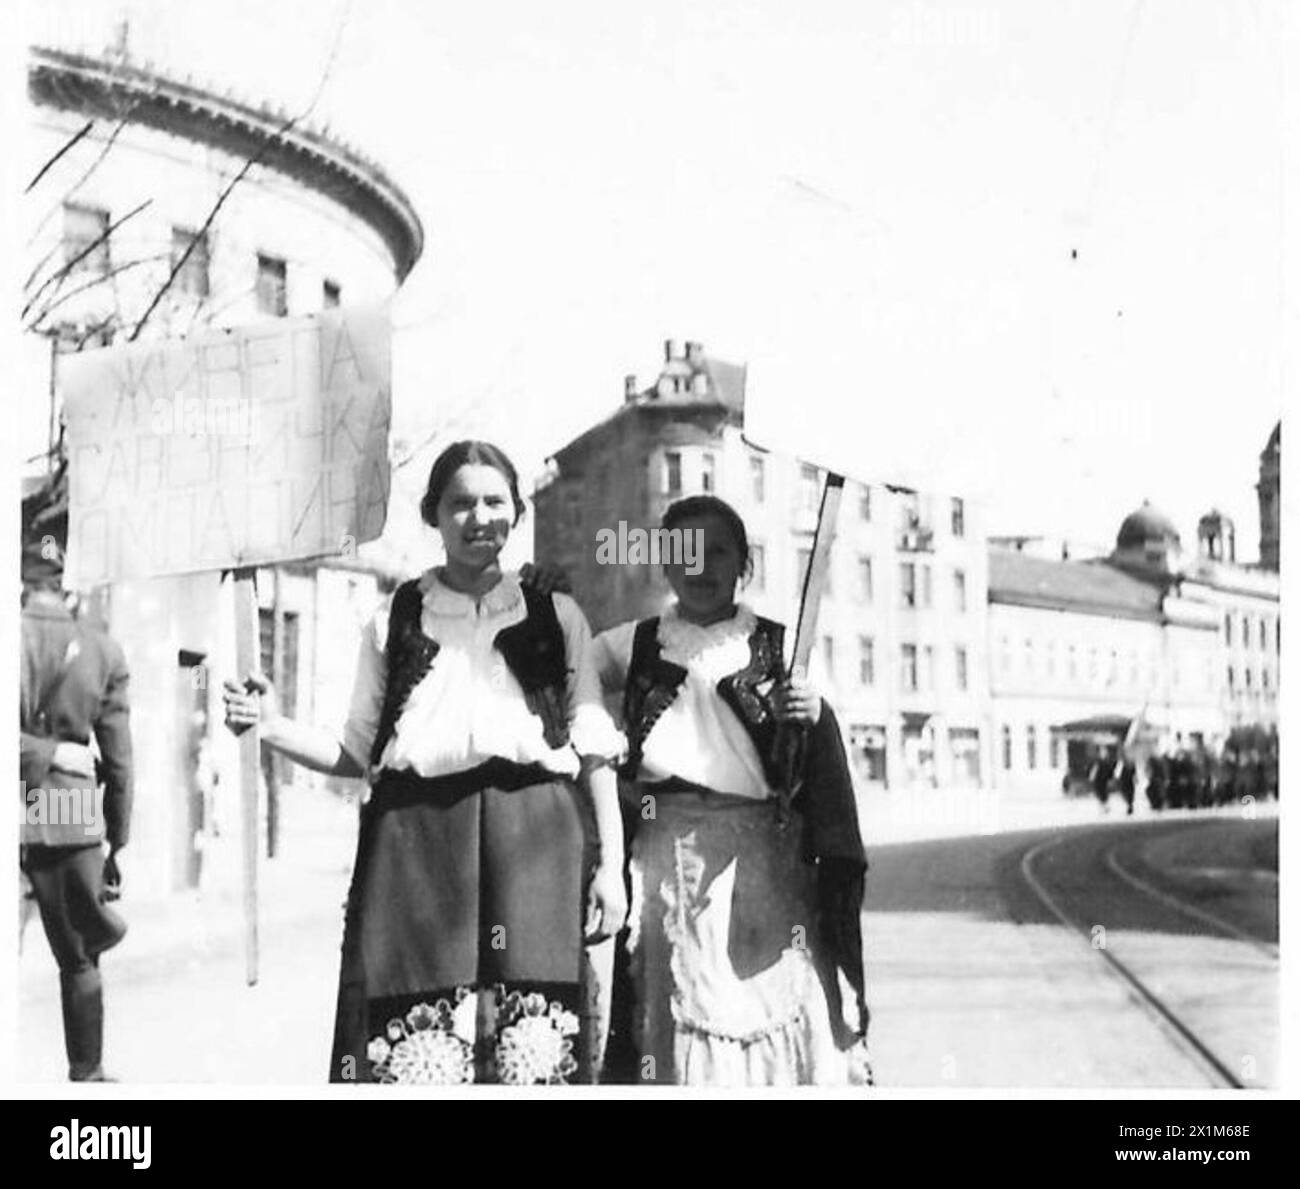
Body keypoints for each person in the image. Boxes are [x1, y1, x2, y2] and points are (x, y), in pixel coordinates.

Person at [222, 440, 626, 1084]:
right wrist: (270, 727)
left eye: (495, 501)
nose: (478, 517)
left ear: (517, 513)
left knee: (534, 1045)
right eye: (459, 503)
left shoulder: (556, 615)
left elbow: (595, 744)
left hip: (537, 845)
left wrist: (611, 865)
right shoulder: (397, 616)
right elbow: (355, 750)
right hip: (415, 849)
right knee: (414, 1040)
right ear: (433, 515)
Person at [594, 495, 870, 1086]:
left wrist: (812, 710)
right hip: (671, 855)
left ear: (744, 565)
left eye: (718, 551)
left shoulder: (782, 645)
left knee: (769, 999)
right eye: (685, 551)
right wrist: (546, 595)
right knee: (680, 1000)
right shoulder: (631, 645)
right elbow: (564, 683)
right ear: (664, 564)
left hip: (762, 855)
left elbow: (822, 732)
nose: (701, 565)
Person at [19, 468, 132, 1082]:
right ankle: (86, 1076)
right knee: (79, 955)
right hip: (64, 809)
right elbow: (118, 758)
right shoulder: (103, 649)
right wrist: (119, 839)